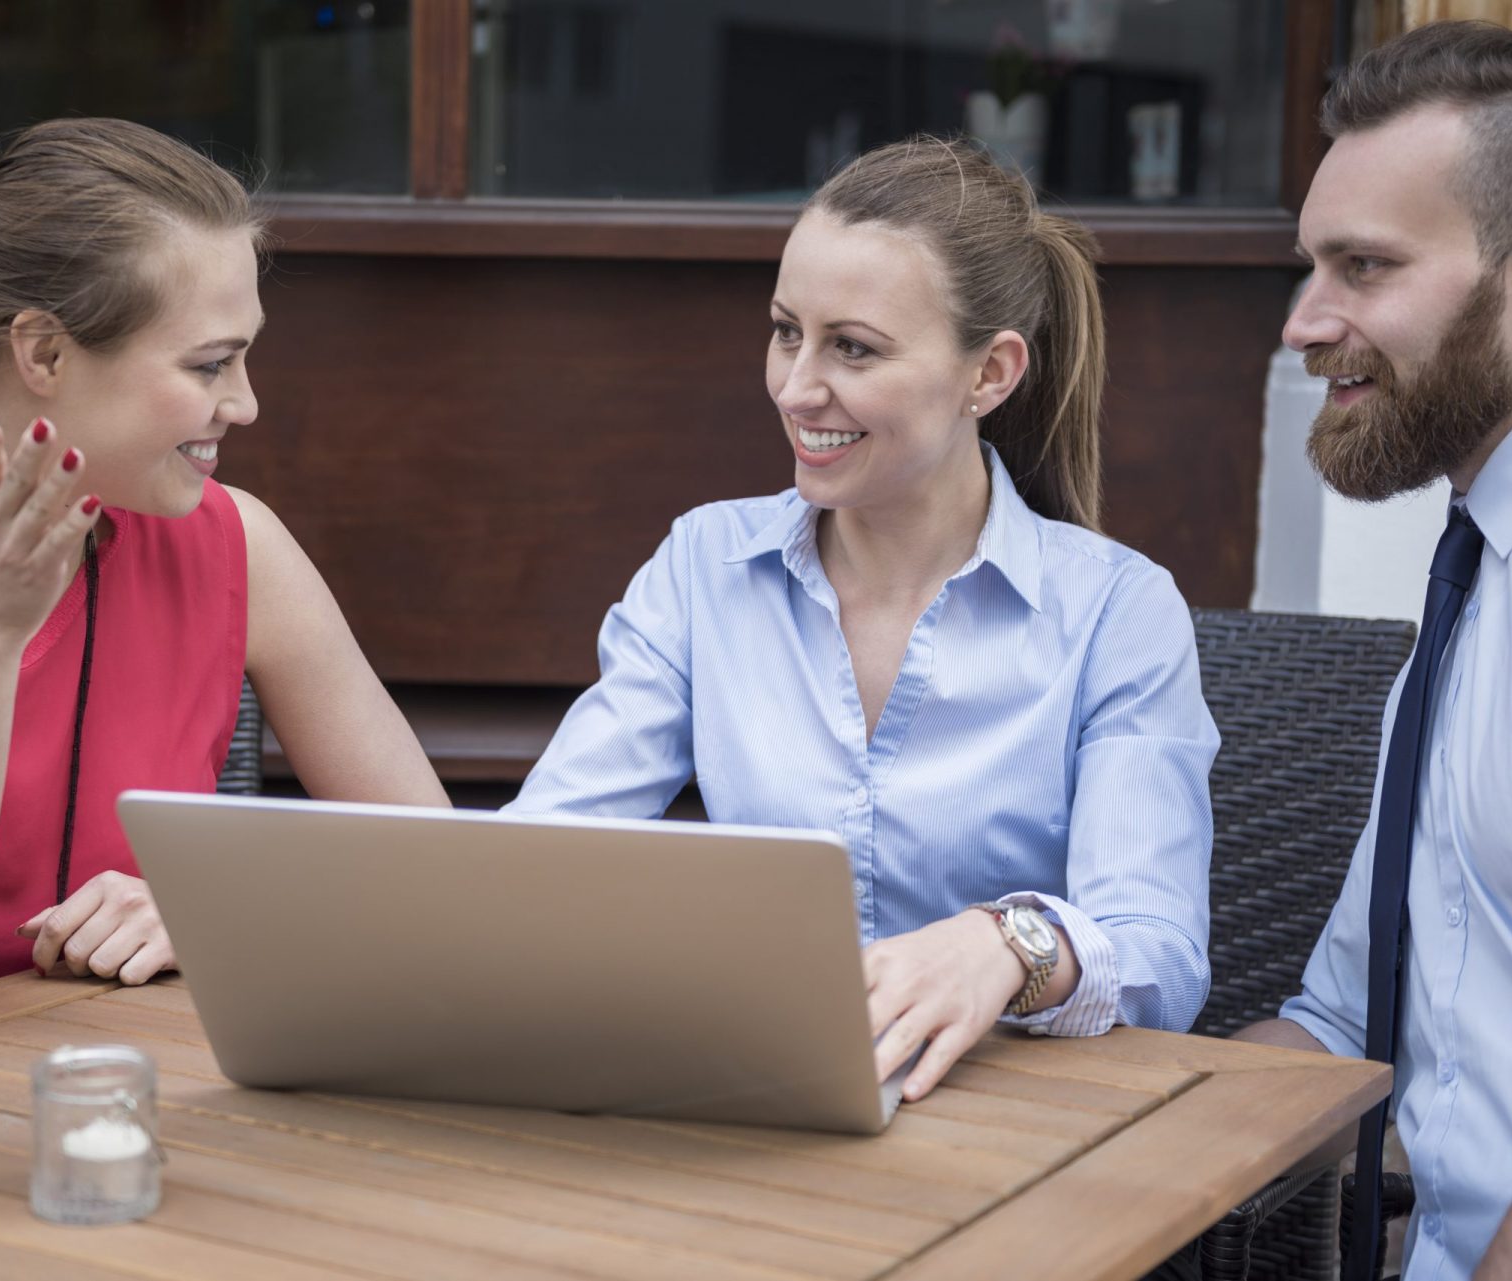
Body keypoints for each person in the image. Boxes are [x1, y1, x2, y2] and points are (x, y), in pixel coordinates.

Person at [507, 137, 1218, 1103]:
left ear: (990, 374)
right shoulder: (704, 566)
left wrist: (1003, 944)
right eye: (785, 330)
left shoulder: (1117, 610)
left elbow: (1160, 958)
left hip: (1010, 1129)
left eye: (854, 347)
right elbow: (544, 856)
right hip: (754, 1100)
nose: (797, 388)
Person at [0, 118, 447, 1031]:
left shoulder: (236, 544)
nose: (245, 404)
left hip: (139, 1122)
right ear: (44, 353)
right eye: (211, 363)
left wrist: (222, 901)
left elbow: (437, 872)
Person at [1235, 22, 1512, 1280]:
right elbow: (1339, 1031)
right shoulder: (1488, 560)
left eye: (1363, 267)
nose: (1305, 324)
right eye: (1312, 268)